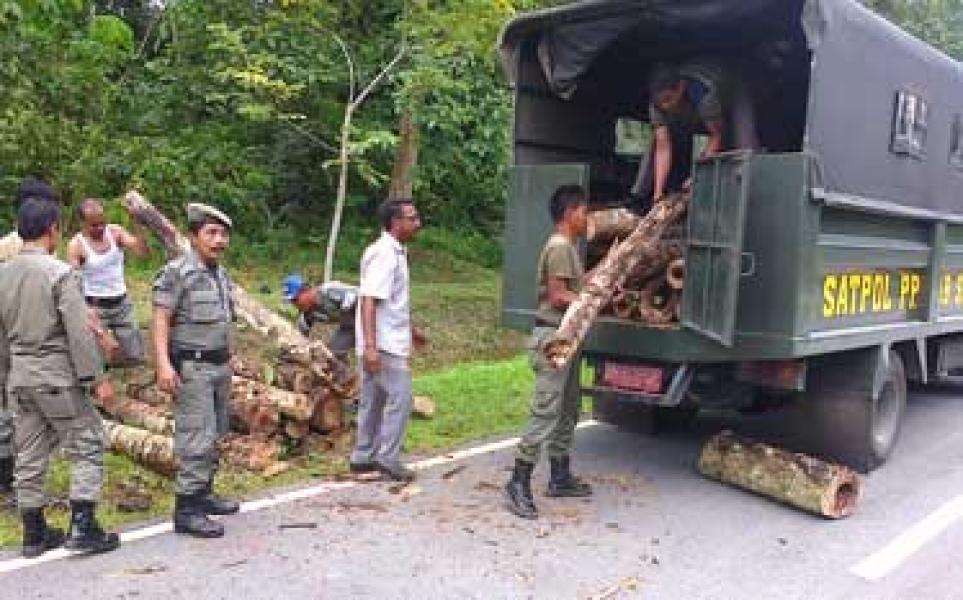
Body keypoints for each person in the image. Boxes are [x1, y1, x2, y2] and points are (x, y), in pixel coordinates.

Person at [0, 197, 120, 557]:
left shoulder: (2, 274)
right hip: (55, 375)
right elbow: (78, 332)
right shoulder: (59, 274)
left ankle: (33, 532)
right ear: (52, 230)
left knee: (30, 453)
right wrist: (96, 378)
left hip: (20, 377)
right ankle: (83, 525)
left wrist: (6, 375)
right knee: (88, 443)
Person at [505, 184, 594, 520]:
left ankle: (560, 476)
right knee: (546, 410)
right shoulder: (559, 247)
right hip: (553, 338)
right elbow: (558, 296)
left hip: (567, 338)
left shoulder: (568, 247)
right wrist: (591, 301)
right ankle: (518, 481)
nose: (587, 218)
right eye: (584, 211)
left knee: (568, 408)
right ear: (571, 213)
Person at [152, 203, 240, 538]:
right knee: (195, 436)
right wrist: (162, 364)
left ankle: (204, 493)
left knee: (216, 431)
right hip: (193, 367)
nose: (219, 240)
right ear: (193, 236)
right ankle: (186, 509)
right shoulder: (177, 272)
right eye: (211, 233)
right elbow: (161, 319)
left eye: (223, 234)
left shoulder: (220, 274)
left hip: (219, 365)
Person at [350, 198, 425, 482]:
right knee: (401, 398)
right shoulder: (384, 254)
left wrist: (412, 329)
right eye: (412, 218)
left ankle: (362, 457)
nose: (418, 224)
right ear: (396, 223)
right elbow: (369, 300)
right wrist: (371, 347)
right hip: (383, 344)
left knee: (373, 400)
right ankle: (388, 458)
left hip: (382, 339)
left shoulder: (394, 253)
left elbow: (390, 303)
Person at [0, 178, 61, 503]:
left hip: (18, 341)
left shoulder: (21, 244)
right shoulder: (13, 247)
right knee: (17, 416)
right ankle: (11, 481)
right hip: (18, 341)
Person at [630, 59, 759, 210]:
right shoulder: (657, 105)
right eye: (660, 102)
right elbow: (663, 147)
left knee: (744, 146)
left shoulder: (703, 94)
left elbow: (716, 135)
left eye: (668, 99)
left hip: (732, 94)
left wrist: (696, 177)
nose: (665, 106)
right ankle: (638, 196)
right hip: (697, 110)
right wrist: (658, 193)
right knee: (661, 137)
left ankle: (749, 201)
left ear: (681, 88)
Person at [68, 198, 149, 369]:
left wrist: (137, 222)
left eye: (102, 223)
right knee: (96, 364)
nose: (99, 228)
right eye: (93, 225)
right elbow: (73, 285)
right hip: (95, 306)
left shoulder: (115, 233)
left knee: (135, 358)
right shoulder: (76, 245)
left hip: (122, 304)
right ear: (82, 223)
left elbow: (142, 253)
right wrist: (93, 322)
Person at [282, 274, 358, 359]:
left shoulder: (329, 290)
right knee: (332, 354)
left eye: (295, 300)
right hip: (349, 327)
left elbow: (361, 296)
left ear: (306, 290)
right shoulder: (307, 314)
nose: (295, 305)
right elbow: (299, 337)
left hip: (369, 318)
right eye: (292, 302)